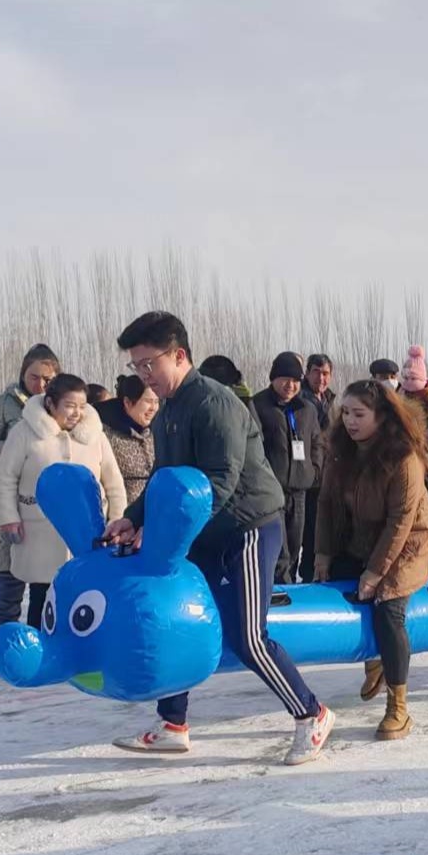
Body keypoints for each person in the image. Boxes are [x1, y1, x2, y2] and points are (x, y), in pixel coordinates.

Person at [105, 312, 334, 764]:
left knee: (249, 635)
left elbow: (221, 480)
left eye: (150, 364)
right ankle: (173, 723)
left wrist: (169, 530)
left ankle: (312, 712)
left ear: (179, 355)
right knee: (179, 619)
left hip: (246, 526)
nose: (145, 376)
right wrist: (133, 517)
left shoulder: (215, 403)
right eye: (137, 367)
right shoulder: (170, 408)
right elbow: (163, 477)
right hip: (206, 530)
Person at [314, 381, 428, 740]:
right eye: (346, 413)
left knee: (387, 605)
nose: (350, 421)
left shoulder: (403, 458)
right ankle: (374, 659)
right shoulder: (341, 451)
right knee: (338, 583)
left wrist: (374, 572)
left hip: (408, 543)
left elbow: (401, 521)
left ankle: (398, 706)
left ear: (381, 417)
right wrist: (322, 554)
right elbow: (326, 504)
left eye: (359, 414)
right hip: (363, 537)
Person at [0, 373, 127, 628]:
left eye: (81, 406)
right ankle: (39, 651)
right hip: (38, 529)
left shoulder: (95, 436)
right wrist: (8, 519)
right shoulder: (24, 433)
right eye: (69, 405)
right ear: (50, 404)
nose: (77, 413)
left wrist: (117, 520)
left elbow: (114, 482)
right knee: (43, 594)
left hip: (87, 532)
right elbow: (6, 479)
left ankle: (77, 654)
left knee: (83, 595)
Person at [0, 343, 58, 626]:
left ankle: (43, 628)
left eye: (47, 379)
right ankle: (6, 626)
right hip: (12, 494)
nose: (40, 384)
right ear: (23, 374)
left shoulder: (61, 405)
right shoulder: (5, 403)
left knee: (46, 567)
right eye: (34, 377)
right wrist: (16, 448)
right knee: (9, 564)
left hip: (49, 499)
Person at [251, 352, 321, 584]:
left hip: (299, 489)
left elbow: (317, 442)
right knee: (279, 550)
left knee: (295, 544)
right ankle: (280, 587)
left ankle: (290, 584)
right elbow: (254, 446)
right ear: (273, 378)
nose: (290, 386)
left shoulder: (307, 409)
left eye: (295, 381)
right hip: (272, 490)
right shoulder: (258, 405)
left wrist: (315, 470)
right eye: (285, 379)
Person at [297, 354, 337, 581]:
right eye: (316, 372)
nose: (321, 378)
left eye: (325, 373)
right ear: (307, 373)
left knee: (319, 534)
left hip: (328, 476)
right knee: (305, 534)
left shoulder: (330, 402)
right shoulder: (301, 400)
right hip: (309, 476)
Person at [98, 373, 160, 508]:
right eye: (148, 401)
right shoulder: (106, 434)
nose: (153, 408)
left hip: (157, 513)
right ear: (127, 402)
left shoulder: (157, 431)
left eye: (156, 402)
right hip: (124, 516)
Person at [398, 345, 428, 450]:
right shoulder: (402, 393)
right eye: (406, 378)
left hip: (425, 441)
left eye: (413, 379)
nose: (409, 382)